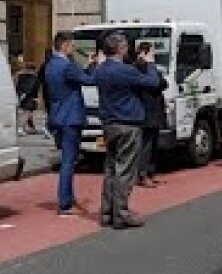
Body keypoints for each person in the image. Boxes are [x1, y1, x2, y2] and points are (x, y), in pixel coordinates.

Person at [93, 32, 164, 229]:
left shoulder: (100, 69)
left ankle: (107, 212)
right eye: (125, 46)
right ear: (120, 49)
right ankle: (121, 213)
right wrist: (150, 64)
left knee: (110, 168)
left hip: (109, 122)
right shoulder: (124, 70)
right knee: (125, 170)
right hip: (128, 122)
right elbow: (152, 82)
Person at [44, 32, 96, 217]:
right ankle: (65, 203)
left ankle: (69, 198)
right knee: (68, 161)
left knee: (68, 159)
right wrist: (94, 65)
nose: (73, 49)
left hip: (58, 115)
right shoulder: (67, 66)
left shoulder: (51, 65)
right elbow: (89, 80)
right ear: (64, 46)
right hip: (71, 117)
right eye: (72, 45)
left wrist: (86, 66)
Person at [134, 42, 169, 189]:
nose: (153, 56)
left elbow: (164, 83)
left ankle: (150, 172)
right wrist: (151, 66)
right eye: (151, 52)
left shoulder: (151, 68)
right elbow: (154, 83)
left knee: (153, 144)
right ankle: (142, 174)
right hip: (146, 110)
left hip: (154, 110)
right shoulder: (140, 67)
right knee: (146, 145)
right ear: (144, 53)